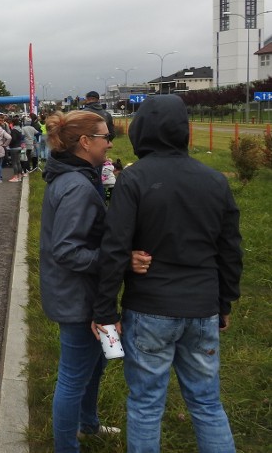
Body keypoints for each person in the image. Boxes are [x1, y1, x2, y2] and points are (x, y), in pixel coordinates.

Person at [93, 94, 243, 453]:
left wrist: (104, 311)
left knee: (146, 404)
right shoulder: (215, 181)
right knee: (207, 402)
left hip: (149, 308)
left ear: (141, 130)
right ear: (184, 131)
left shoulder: (133, 180)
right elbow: (230, 251)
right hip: (203, 306)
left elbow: (115, 248)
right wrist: (224, 302)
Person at [39, 109, 123, 452]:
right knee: (73, 377)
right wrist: (117, 260)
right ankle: (66, 446)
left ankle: (88, 425)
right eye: (106, 137)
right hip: (75, 297)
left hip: (78, 292)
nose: (110, 144)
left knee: (95, 365)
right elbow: (68, 250)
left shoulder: (77, 176)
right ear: (86, 142)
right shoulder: (76, 186)